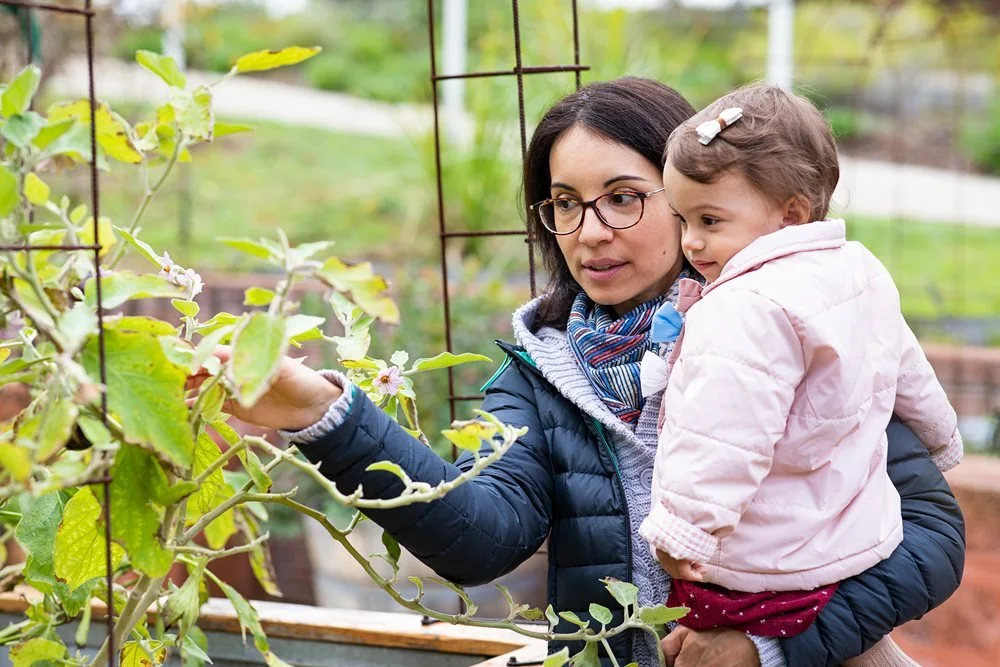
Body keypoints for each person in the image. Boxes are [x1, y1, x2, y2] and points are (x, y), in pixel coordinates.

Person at [207, 78, 965, 666]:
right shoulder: (544, 370)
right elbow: (479, 539)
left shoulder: (795, 322)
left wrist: (764, 647)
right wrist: (322, 413)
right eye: (564, 204)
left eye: (624, 199)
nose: (589, 232)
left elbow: (930, 538)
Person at [636, 83, 963, 665]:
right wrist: (941, 438)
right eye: (683, 218)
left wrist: (684, 528)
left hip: (766, 560)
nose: (691, 240)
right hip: (854, 537)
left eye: (710, 219)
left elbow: (723, 433)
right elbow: (907, 367)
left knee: (692, 637)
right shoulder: (857, 269)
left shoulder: (745, 307)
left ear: (791, 213)